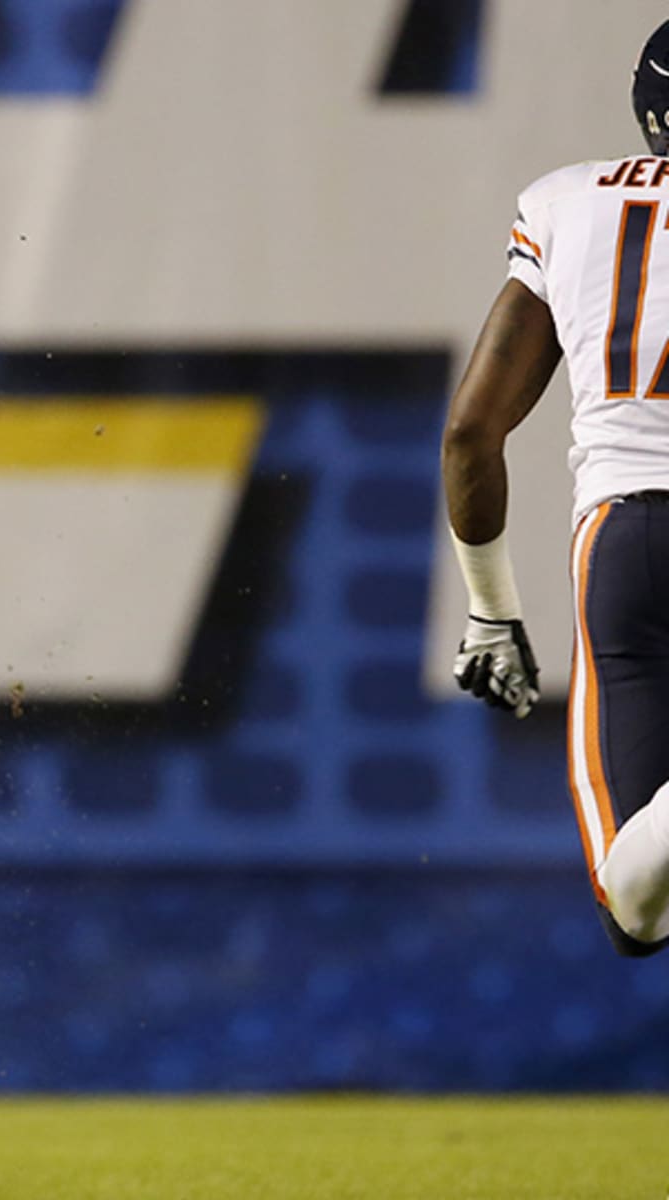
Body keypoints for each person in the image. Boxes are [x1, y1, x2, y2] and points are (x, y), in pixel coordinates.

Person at [443, 20, 669, 964]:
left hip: (623, 541)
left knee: (636, 908)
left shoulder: (565, 202)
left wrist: (491, 614)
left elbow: (470, 431)